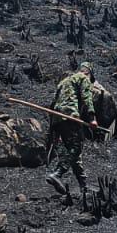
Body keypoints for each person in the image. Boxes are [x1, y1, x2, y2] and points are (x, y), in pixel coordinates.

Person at [46, 60, 97, 196]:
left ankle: (84, 186)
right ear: (88, 72)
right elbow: (87, 97)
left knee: (73, 151)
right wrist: (92, 118)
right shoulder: (83, 78)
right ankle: (58, 173)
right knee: (77, 145)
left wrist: (52, 128)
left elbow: (53, 104)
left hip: (57, 118)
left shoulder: (62, 82)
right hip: (70, 115)